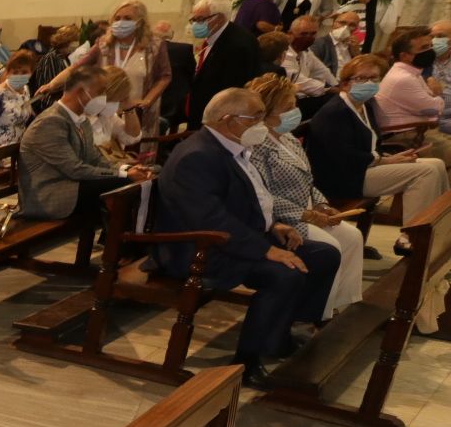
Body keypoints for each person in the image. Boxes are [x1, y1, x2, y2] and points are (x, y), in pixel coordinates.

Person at [151, 88, 341, 384]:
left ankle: (281, 335)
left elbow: (245, 200)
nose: (261, 124)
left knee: (324, 256)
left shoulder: (229, 146)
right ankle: (247, 363)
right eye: (255, 117)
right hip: (199, 249)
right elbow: (210, 218)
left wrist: (274, 226)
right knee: (283, 274)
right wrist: (268, 250)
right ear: (228, 120)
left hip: (231, 238)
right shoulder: (198, 156)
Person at [246, 76, 365, 319]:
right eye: (287, 108)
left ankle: (339, 305)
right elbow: (262, 194)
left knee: (352, 236)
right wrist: (305, 214)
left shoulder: (288, 137)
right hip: (284, 219)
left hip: (311, 210)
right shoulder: (257, 144)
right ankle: (313, 315)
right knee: (331, 247)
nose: (295, 112)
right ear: (266, 112)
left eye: (294, 105)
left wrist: (322, 204)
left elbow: (308, 179)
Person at [307, 54, 450, 223]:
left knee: (437, 164)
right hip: (343, 177)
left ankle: (439, 225)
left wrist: (389, 158)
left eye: (373, 78)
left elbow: (371, 145)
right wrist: (384, 161)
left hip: (362, 168)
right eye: (361, 78)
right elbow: (343, 156)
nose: (368, 83)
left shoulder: (365, 105)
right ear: (345, 84)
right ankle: (413, 235)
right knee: (425, 172)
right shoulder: (336, 112)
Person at [19, 65, 155, 233]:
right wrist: (124, 175)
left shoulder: (81, 119)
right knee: (124, 185)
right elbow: (75, 169)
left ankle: (126, 243)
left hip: (73, 185)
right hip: (50, 195)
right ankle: (121, 246)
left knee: (142, 179)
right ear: (82, 92)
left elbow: (95, 159)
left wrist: (126, 168)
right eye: (101, 92)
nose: (105, 98)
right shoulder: (50, 122)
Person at [376, 26, 451, 162]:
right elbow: (434, 109)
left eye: (430, 46)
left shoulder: (412, 72)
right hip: (402, 137)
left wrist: (435, 99)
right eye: (423, 48)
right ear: (405, 56)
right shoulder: (403, 78)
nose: (429, 51)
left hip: (414, 131)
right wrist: (438, 93)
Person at [0, 52, 40, 150]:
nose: (19, 76)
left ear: (31, 73)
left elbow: (28, 116)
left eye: (24, 72)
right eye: (15, 72)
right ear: (8, 73)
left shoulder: (25, 89)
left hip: (20, 143)